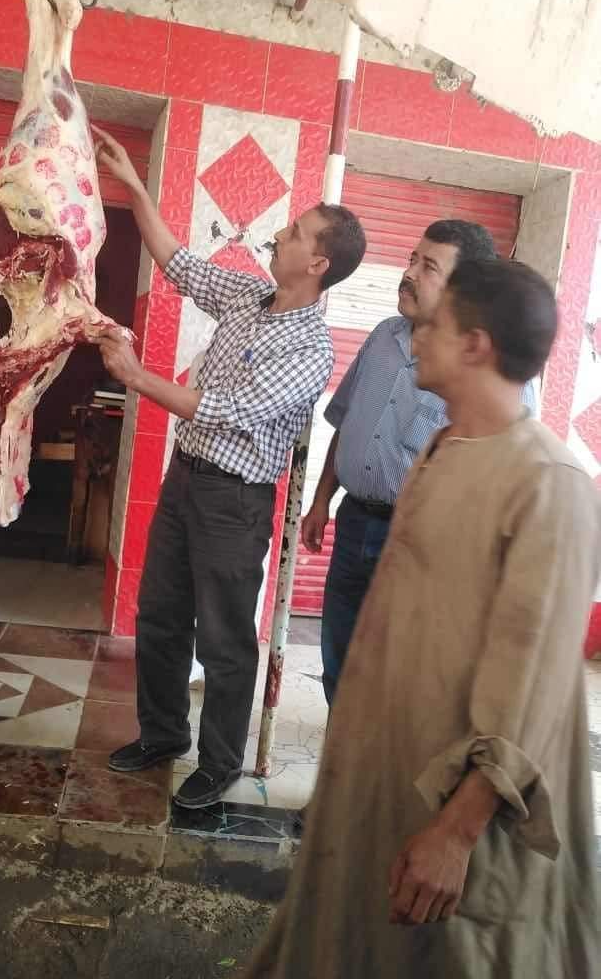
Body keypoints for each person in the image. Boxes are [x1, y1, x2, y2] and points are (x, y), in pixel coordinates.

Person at [242, 259, 600, 979]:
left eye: (433, 326)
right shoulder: (443, 450)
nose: (417, 338)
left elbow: (531, 683)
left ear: (475, 344)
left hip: (465, 816)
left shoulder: (549, 482)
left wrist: (457, 833)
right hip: (390, 772)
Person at [92, 125, 367, 809]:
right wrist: (133, 186)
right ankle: (163, 734)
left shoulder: (311, 350)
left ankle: (219, 765)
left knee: (223, 640)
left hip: (234, 503)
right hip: (185, 480)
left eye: (295, 233)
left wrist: (137, 377)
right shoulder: (247, 296)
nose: (279, 235)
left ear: (319, 262)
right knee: (160, 616)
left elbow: (225, 409)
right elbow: (177, 262)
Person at [302, 220, 537, 705]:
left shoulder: (485, 371)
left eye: (428, 266)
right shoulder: (383, 336)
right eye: (412, 259)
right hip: (353, 524)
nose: (408, 273)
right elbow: (347, 421)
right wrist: (322, 499)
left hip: (417, 539)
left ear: (463, 289)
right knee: (339, 659)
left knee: (400, 675)